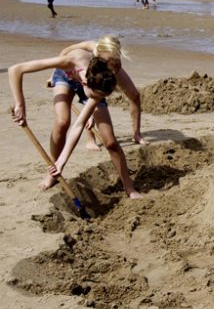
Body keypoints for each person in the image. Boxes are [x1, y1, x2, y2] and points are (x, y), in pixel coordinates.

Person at [9, 35, 146, 198]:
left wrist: (64, 160)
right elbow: (15, 69)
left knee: (110, 142)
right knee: (62, 122)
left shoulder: (102, 78)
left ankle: (129, 188)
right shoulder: (72, 60)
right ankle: (52, 171)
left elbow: (79, 124)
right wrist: (20, 104)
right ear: (86, 84)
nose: (94, 100)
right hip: (65, 77)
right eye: (94, 98)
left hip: (93, 83)